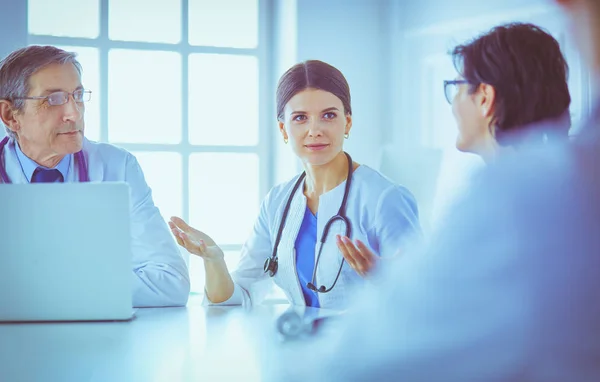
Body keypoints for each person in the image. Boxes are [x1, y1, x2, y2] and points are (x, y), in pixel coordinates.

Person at [271, 4, 600, 380]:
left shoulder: (511, 198)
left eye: (457, 88)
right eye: (299, 118)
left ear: (484, 98)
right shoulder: (574, 181)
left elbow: (381, 349)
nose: (314, 129)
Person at [169, 60, 421, 309]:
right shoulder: (278, 201)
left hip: (371, 346)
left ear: (348, 122)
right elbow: (241, 294)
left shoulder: (384, 199)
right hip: (298, 345)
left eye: (329, 115)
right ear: (283, 129)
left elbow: (425, 299)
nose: (314, 130)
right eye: (300, 118)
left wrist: (385, 278)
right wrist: (214, 259)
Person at [0, 45, 190, 308]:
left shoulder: (117, 166)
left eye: (77, 95)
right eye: (53, 99)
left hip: (98, 340)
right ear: (10, 115)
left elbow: (171, 283)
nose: (74, 113)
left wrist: (50, 288)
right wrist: (92, 285)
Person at [444, 22, 572, 163]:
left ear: (485, 98)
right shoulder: (573, 178)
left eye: (457, 87)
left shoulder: (493, 184)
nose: (454, 102)